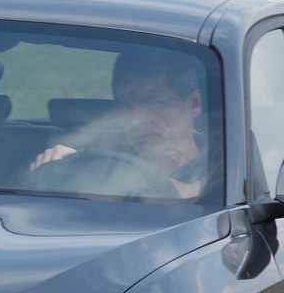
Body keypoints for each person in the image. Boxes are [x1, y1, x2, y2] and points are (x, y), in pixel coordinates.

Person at [29, 49, 208, 198]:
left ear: (194, 104)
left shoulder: (225, 170)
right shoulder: (99, 162)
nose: (134, 120)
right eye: (123, 106)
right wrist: (62, 167)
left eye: (151, 102)